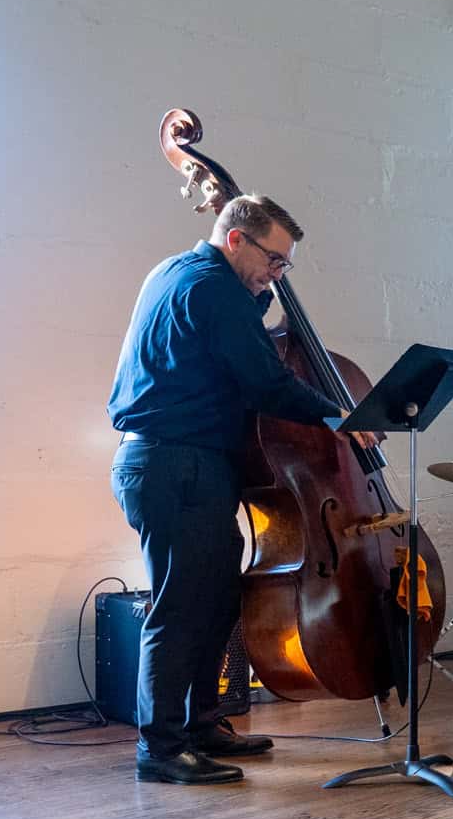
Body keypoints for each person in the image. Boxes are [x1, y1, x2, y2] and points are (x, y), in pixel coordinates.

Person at [108, 194, 376, 785]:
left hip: (178, 463)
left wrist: (258, 294)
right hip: (177, 463)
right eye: (274, 260)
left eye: (284, 265)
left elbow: (234, 352)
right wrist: (339, 416)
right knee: (181, 608)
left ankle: (202, 725)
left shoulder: (176, 272)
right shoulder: (215, 289)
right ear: (236, 238)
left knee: (217, 602)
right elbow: (266, 383)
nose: (277, 274)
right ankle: (160, 748)